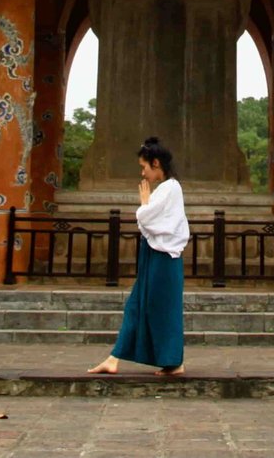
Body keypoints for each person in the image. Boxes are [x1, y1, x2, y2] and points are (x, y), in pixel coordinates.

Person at [87, 136, 188, 375]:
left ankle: (174, 361)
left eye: (144, 167)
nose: (143, 173)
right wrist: (145, 209)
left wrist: (144, 205)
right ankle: (115, 358)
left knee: (162, 307)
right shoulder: (165, 189)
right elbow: (148, 221)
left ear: (155, 164)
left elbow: (147, 218)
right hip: (154, 255)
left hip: (164, 259)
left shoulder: (171, 188)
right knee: (137, 304)